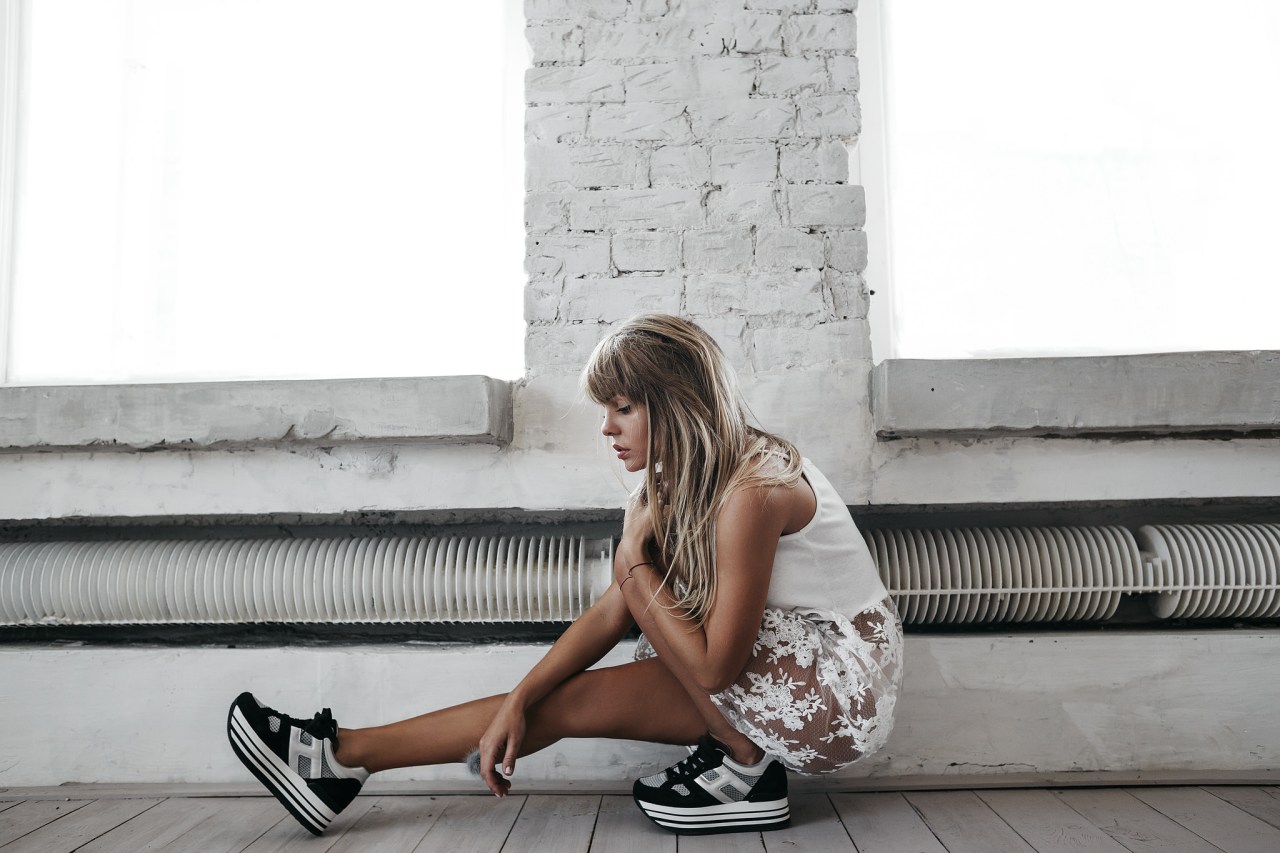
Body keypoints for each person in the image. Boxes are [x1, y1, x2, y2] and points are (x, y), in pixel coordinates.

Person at [227, 314, 902, 837]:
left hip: (835, 682)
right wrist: (521, 694)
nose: (607, 427)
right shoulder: (680, 479)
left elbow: (714, 663)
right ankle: (338, 760)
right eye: (604, 409)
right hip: (760, 656)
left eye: (624, 407)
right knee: (564, 701)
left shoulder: (754, 487)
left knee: (652, 596)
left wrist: (634, 561)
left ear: (678, 404)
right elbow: (616, 611)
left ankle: (746, 762)